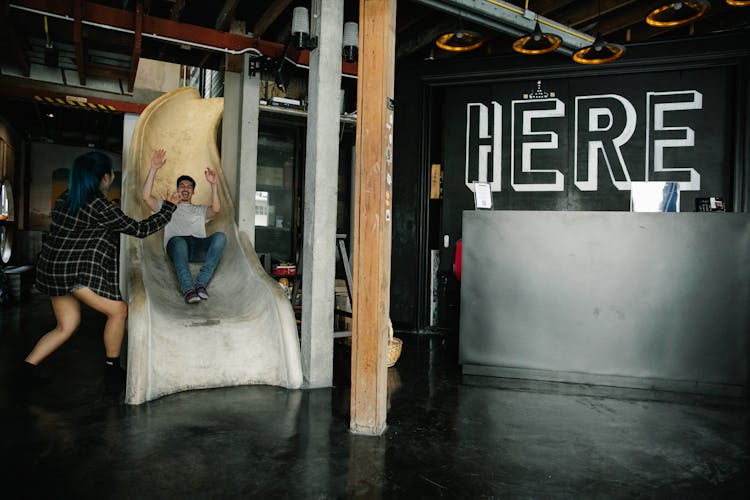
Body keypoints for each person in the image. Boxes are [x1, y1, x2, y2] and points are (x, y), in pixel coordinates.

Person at [22, 151, 178, 392]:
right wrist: (168, 209)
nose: (112, 177)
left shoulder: (66, 198)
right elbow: (139, 229)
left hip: (51, 268)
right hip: (72, 273)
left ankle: (26, 370)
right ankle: (112, 371)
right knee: (119, 311)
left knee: (66, 325)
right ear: (105, 177)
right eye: (111, 174)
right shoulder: (98, 206)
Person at [141, 149, 226, 304]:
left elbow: (216, 209)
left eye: (189, 186)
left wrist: (214, 185)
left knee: (221, 236)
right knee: (179, 241)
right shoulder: (167, 206)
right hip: (177, 247)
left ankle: (201, 284)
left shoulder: (199, 209)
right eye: (182, 185)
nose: (185, 188)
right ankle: (188, 289)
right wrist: (154, 168)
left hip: (197, 247)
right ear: (177, 189)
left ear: (193, 192)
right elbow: (146, 197)